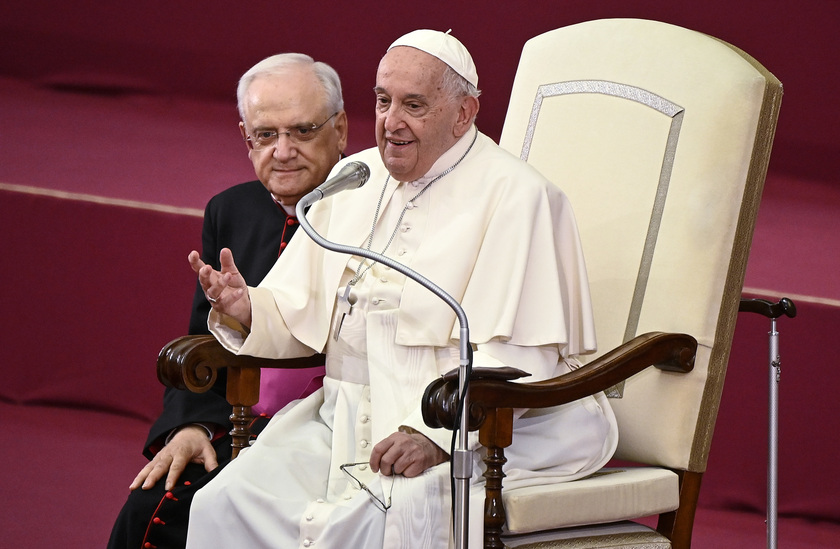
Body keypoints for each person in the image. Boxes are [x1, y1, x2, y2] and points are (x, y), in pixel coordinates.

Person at [186, 30, 618, 549]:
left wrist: (436, 436)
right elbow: (298, 314)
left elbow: (522, 353)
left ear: (463, 113)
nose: (391, 122)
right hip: (341, 418)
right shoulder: (357, 176)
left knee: (362, 524)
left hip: (470, 431)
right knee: (223, 502)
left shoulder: (520, 197)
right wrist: (248, 309)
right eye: (384, 100)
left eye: (413, 105)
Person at [107, 52, 348, 549]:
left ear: (340, 130)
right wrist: (193, 425)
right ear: (246, 137)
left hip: (330, 434)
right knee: (148, 509)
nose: (282, 151)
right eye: (265, 135)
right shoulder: (231, 209)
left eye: (302, 131)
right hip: (239, 424)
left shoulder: (371, 210)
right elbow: (204, 339)